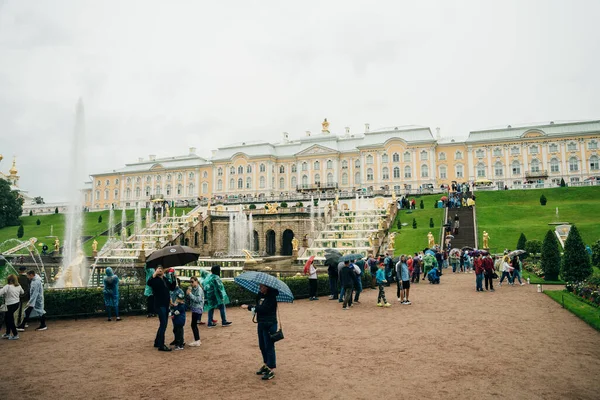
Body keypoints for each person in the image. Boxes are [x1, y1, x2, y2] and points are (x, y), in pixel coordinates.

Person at [241, 284, 280, 380]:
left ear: (267, 287)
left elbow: (264, 308)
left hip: (270, 324)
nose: (260, 288)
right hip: (261, 323)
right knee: (262, 346)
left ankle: (271, 368)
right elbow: (259, 306)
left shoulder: (272, 297)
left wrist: (249, 307)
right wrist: (257, 299)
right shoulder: (261, 295)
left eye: (261, 287)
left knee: (269, 346)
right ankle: (266, 364)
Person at [147, 266, 177, 351]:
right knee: (163, 324)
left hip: (165, 304)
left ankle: (157, 342)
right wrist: (155, 274)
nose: (160, 270)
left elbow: (171, 287)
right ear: (156, 270)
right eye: (158, 269)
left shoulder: (164, 279)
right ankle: (161, 345)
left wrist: (174, 279)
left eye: (161, 269)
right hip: (159, 305)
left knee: (163, 324)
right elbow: (149, 283)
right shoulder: (154, 279)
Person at [0, 274, 24, 340]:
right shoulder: (18, 286)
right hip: (16, 303)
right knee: (7, 318)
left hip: (9, 304)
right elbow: (22, 292)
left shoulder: (7, 286)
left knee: (10, 319)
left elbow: (0, 293)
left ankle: (15, 334)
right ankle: (7, 333)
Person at [187, 276, 204, 346]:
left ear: (196, 281)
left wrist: (190, 294)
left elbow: (198, 299)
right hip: (194, 308)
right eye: (190, 282)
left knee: (193, 325)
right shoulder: (194, 288)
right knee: (193, 325)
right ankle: (197, 340)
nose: (191, 283)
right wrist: (189, 293)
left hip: (197, 308)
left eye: (192, 281)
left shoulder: (199, 289)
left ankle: (197, 340)